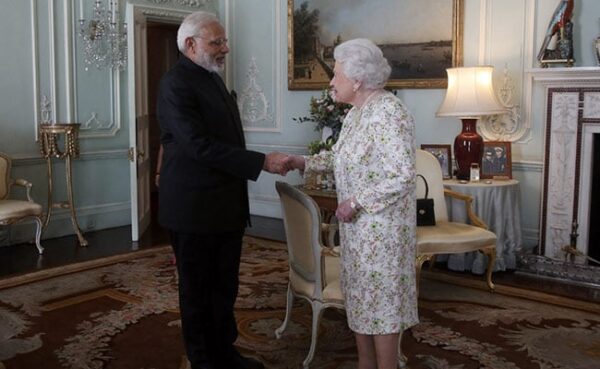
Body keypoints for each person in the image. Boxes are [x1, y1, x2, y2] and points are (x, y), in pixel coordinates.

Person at [156, 11, 289, 369]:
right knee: (198, 292)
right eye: (217, 42)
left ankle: (225, 353)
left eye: (224, 41)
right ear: (190, 45)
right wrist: (261, 162)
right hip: (193, 207)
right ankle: (204, 361)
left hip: (224, 207)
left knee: (224, 287)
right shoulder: (175, 85)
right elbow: (197, 146)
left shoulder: (211, 78)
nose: (225, 49)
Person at [285, 38, 419, 369]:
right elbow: (340, 157)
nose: (331, 81)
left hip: (383, 233)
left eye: (337, 74)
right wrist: (301, 162)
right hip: (358, 232)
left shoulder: (389, 112)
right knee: (360, 301)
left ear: (357, 80)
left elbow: (403, 175)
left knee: (383, 307)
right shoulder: (357, 113)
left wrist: (356, 201)